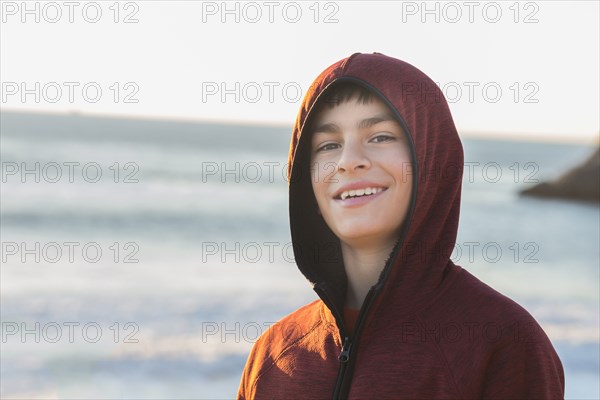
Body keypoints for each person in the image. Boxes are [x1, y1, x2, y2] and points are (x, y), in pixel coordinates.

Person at [237, 52, 564, 399]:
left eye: (380, 137)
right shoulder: (272, 354)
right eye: (329, 145)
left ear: (430, 157)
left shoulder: (502, 343)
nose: (348, 162)